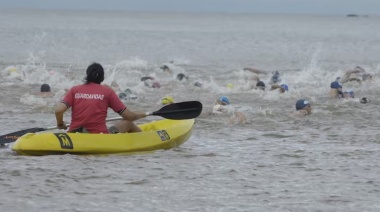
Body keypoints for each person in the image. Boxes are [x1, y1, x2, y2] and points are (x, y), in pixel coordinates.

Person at [55, 62, 147, 134]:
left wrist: (60, 124)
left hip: (74, 133)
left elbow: (58, 110)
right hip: (98, 136)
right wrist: (142, 114)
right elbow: (129, 116)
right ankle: (146, 140)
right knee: (128, 122)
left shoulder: (74, 90)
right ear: (102, 78)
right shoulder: (107, 92)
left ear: (87, 75)